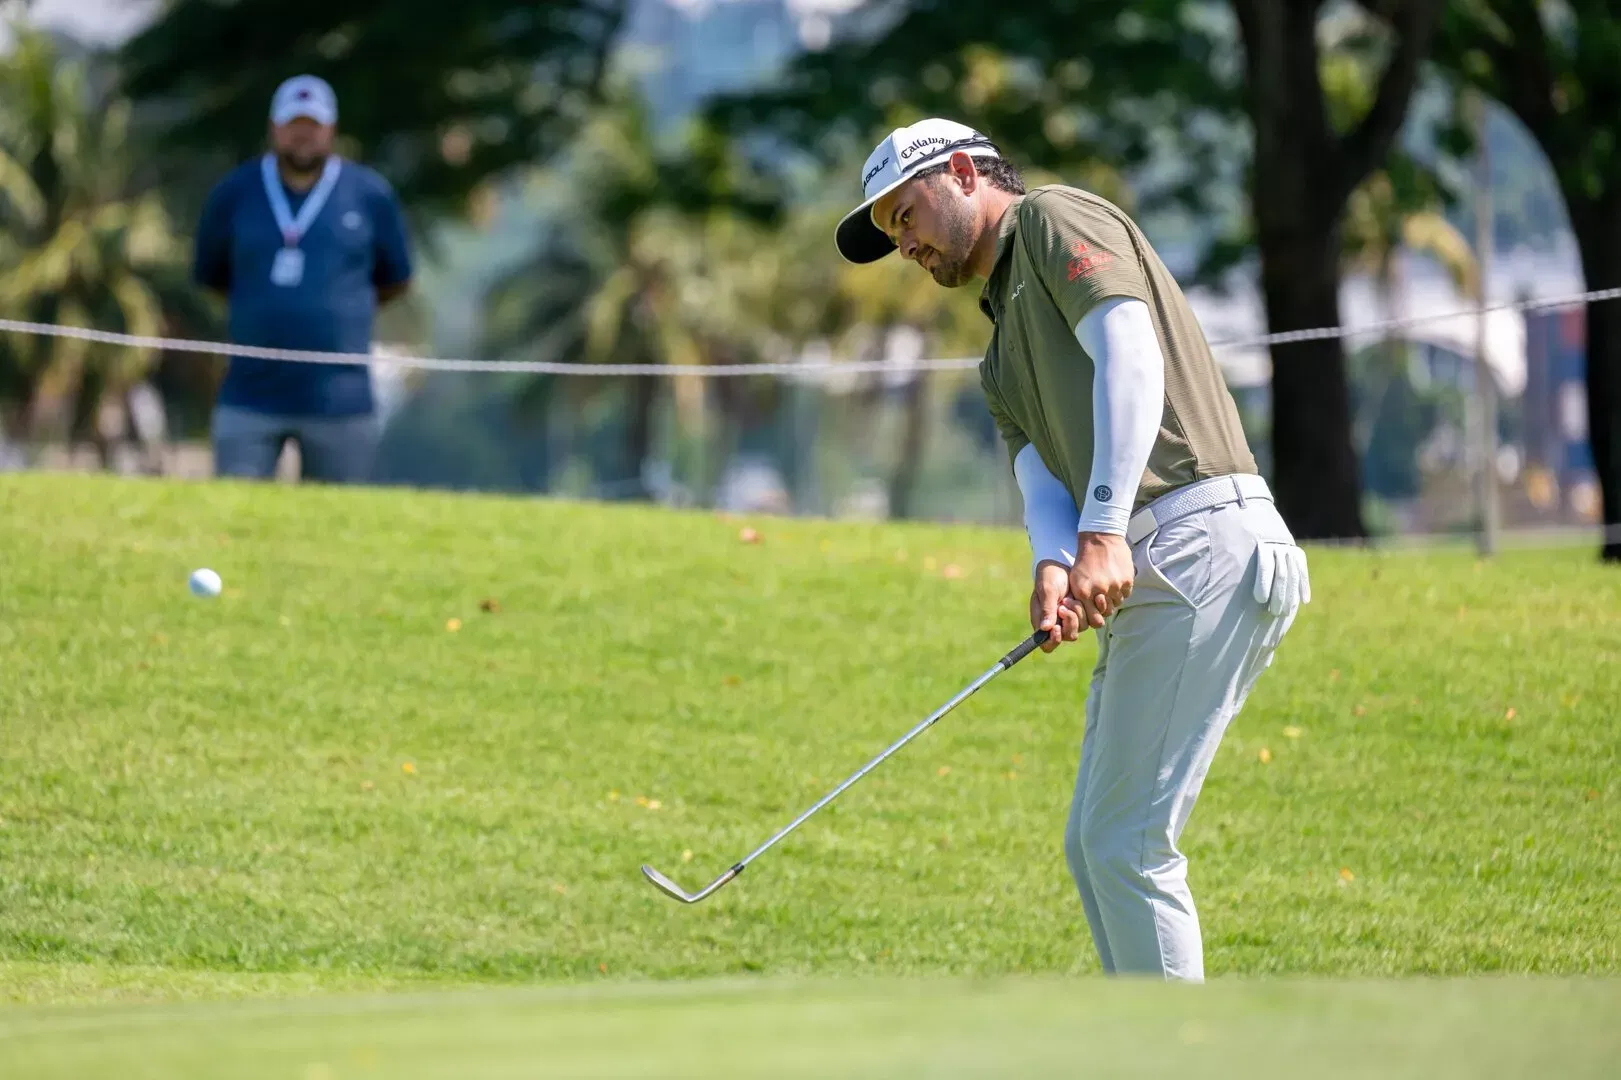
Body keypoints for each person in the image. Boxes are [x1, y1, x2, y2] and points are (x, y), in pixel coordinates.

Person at [834, 118, 1312, 982]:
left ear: (958, 173)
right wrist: (1053, 564)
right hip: (1159, 554)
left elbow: (1129, 354)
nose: (902, 244)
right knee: (1095, 848)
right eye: (892, 232)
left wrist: (1100, 534)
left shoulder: (1053, 219)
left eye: (904, 217)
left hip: (1199, 534)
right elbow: (1038, 484)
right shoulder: (995, 360)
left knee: (1126, 844)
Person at [193, 74, 413, 483]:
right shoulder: (233, 193)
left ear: (330, 129)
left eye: (313, 125)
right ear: (274, 128)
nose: (302, 136)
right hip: (249, 396)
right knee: (234, 522)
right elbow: (211, 276)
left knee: (338, 532)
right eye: (293, 125)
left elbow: (396, 279)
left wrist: (338, 310)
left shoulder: (370, 195)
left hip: (341, 402)